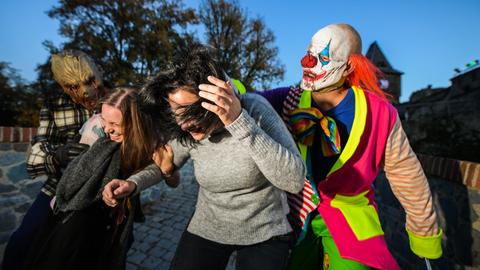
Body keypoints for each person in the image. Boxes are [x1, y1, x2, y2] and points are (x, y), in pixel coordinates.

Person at [102, 45, 306, 270]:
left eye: (191, 113)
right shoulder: (187, 130)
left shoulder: (255, 110)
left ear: (216, 97)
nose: (184, 124)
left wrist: (238, 121)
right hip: (209, 226)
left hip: (265, 231)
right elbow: (163, 162)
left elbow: (293, 180)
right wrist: (132, 184)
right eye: (177, 114)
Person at [259, 23, 443, 270]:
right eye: (309, 53)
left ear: (349, 67)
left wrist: (424, 233)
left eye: (322, 57)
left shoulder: (380, 114)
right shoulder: (287, 99)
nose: (307, 62)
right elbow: (248, 102)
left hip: (351, 226)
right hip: (294, 220)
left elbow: (406, 174)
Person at [24, 87, 175, 270]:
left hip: (118, 215)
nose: (107, 127)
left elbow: (173, 181)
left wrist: (166, 169)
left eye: (115, 123)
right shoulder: (96, 128)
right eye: (104, 119)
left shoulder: (150, 138)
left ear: (135, 122)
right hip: (82, 210)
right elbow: (78, 175)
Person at [2, 50, 107, 270]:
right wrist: (56, 156)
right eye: (73, 87)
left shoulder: (118, 98)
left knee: (108, 250)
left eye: (90, 81)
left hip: (105, 189)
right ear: (62, 85)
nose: (86, 92)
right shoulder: (54, 104)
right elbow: (37, 151)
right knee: (22, 243)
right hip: (60, 185)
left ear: (98, 70)